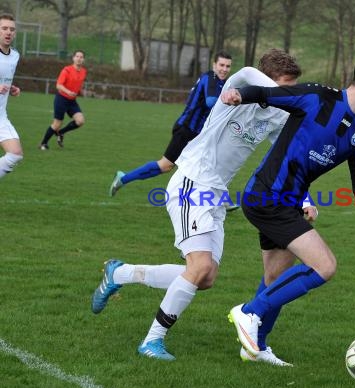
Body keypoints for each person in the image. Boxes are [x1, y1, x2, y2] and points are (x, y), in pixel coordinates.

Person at [92, 49, 316, 365]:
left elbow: (289, 159)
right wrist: (279, 92)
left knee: (206, 277)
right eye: (286, 86)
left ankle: (121, 273)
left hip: (215, 196)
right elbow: (251, 73)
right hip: (191, 183)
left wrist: (305, 199)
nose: (289, 94)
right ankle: (151, 341)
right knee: (198, 268)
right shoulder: (239, 85)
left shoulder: (278, 114)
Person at [222, 50, 355, 359]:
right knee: (324, 265)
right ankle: (249, 311)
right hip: (267, 197)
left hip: (287, 205)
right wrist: (239, 94)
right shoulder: (317, 97)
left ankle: (257, 346)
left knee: (275, 278)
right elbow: (268, 93)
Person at [108, 51, 232, 197]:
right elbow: (211, 101)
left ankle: (219, 199)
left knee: (211, 163)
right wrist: (231, 102)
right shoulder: (211, 78)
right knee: (165, 165)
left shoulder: (221, 83)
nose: (224, 69)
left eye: (228, 66)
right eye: (221, 65)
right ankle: (123, 178)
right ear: (214, 65)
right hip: (187, 130)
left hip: (199, 134)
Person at [38, 50, 87, 150]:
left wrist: (81, 92)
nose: (79, 59)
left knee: (80, 121)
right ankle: (43, 143)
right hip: (61, 99)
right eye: (77, 56)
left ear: (83, 59)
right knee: (56, 124)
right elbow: (58, 85)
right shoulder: (67, 70)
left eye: (81, 57)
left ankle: (61, 132)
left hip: (72, 101)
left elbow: (77, 84)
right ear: (73, 58)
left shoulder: (83, 72)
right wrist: (68, 92)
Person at [0, 13, 23, 180]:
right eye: (4, 28)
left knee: (15, 154)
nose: (8, 32)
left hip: (0, 116)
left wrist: (11, 88)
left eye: (12, 29)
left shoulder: (15, 55)